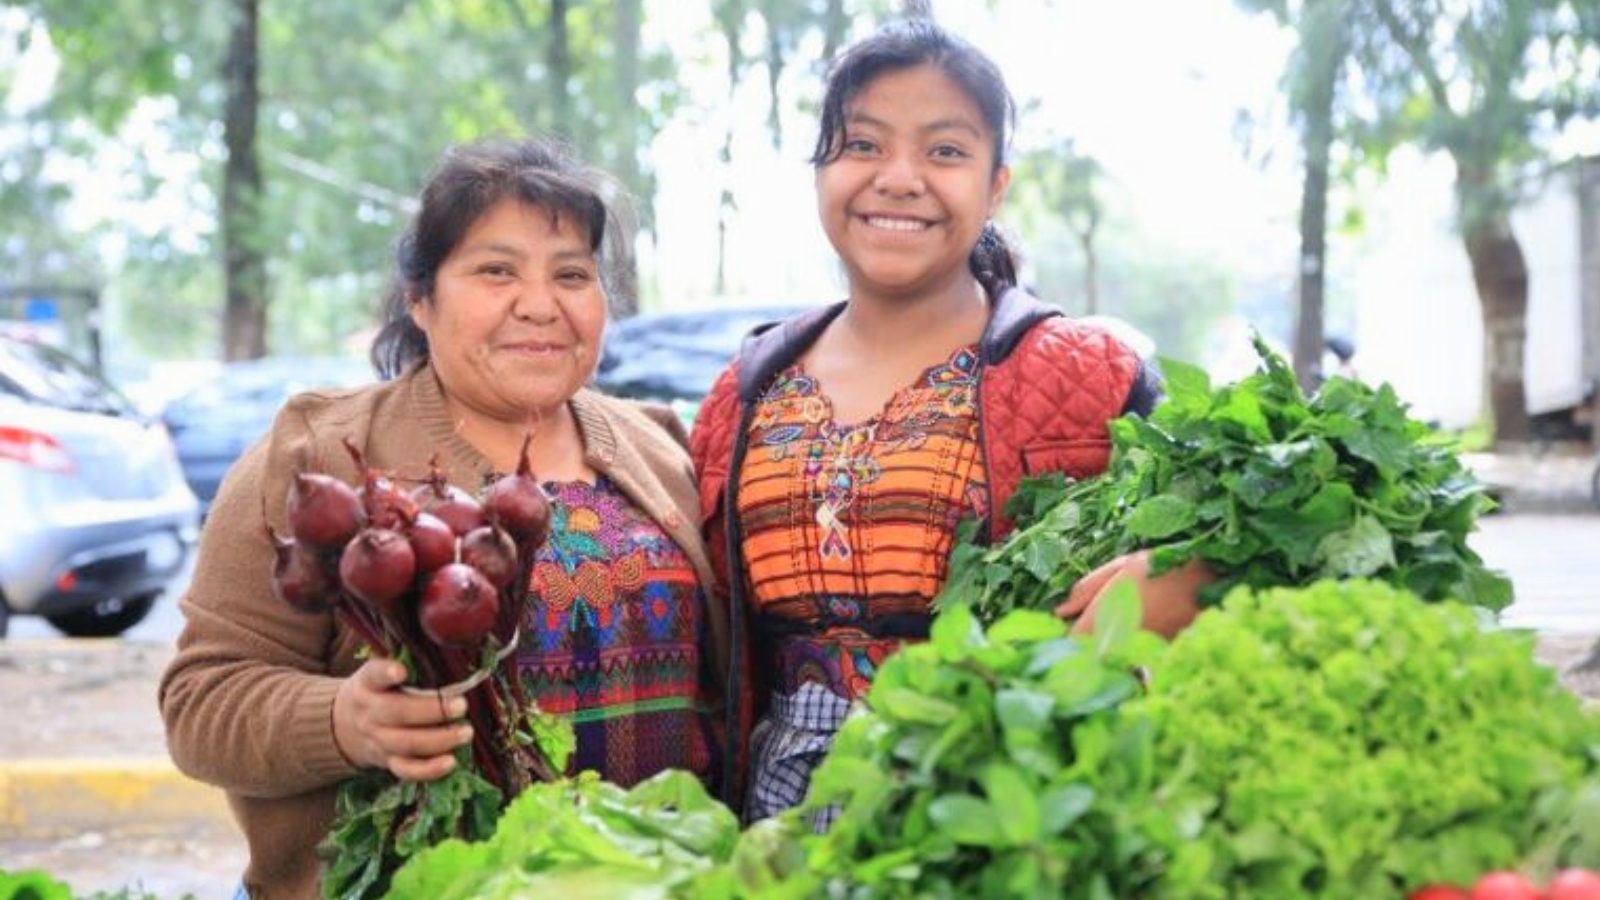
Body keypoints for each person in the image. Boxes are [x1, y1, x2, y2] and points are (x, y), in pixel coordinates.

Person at [160, 138, 726, 898]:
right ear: (420, 298)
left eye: (572, 275)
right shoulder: (319, 455)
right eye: (496, 270)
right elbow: (202, 702)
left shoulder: (657, 446)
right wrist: (343, 723)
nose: (540, 303)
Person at [688, 20, 1211, 825]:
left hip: (1010, 813)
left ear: (996, 184)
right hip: (776, 828)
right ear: (823, 169)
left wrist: (1190, 573)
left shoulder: (1089, 376)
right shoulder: (743, 393)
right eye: (863, 144)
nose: (899, 179)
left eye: (944, 151)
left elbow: (1233, 536)